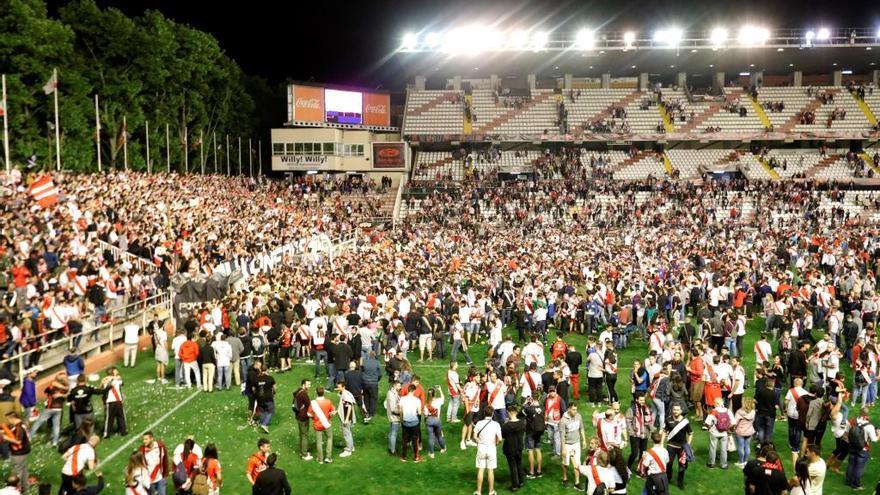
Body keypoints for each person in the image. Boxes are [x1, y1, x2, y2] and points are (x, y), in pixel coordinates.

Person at [29, 373, 67, 447]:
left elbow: (46, 391)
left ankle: (29, 437)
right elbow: (67, 391)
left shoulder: (51, 386)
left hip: (49, 408)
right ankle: (55, 442)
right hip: (59, 409)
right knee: (56, 426)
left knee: (38, 422)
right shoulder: (64, 388)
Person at [846, 407, 878, 490]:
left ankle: (848, 481)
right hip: (863, 449)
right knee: (859, 467)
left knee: (851, 464)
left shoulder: (852, 420)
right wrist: (879, 434)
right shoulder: (869, 426)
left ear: (860, 412)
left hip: (852, 446)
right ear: (867, 415)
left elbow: (847, 432)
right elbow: (874, 440)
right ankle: (856, 485)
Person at [663, 404, 692, 490]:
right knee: (669, 463)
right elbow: (664, 431)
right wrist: (661, 443)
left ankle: (680, 483)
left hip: (682, 447)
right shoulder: (668, 419)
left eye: (677, 410)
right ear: (672, 410)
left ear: (681, 411)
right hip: (671, 445)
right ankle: (668, 479)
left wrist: (688, 445)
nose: (676, 411)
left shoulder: (685, 421)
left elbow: (690, 433)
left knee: (682, 465)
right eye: (674, 409)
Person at [474, 406, 502, 495]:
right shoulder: (496, 424)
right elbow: (500, 439)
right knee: (490, 471)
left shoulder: (479, 423)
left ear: (484, 413)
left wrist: (479, 442)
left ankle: (478, 491)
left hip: (481, 448)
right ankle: (491, 491)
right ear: (492, 414)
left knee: (481, 470)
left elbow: (474, 436)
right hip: (491, 448)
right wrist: (496, 443)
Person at [560, 402, 587, 489]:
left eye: (576, 409)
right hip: (567, 444)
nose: (575, 411)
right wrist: (563, 449)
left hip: (576, 443)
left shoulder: (578, 416)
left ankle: (577, 482)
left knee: (577, 463)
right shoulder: (563, 421)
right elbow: (562, 436)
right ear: (569, 409)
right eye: (573, 409)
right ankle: (565, 478)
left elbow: (581, 428)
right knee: (566, 464)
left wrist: (584, 440)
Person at [1, 412, 29, 495]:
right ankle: (25, 487)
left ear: (12, 418)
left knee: (17, 473)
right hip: (25, 451)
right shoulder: (22, 424)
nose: (9, 421)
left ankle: (16, 490)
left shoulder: (19, 428)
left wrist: (6, 438)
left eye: (9, 419)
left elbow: (18, 441)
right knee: (23, 470)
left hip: (19, 453)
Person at [307, 386, 335, 464]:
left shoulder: (313, 403)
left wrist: (314, 417)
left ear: (316, 392)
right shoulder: (328, 401)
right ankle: (328, 457)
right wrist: (329, 416)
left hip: (317, 424)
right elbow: (332, 412)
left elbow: (309, 414)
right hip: (326, 424)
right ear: (324, 393)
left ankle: (320, 459)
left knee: (319, 442)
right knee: (329, 438)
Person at [501, 404, 526, 491]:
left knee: (513, 466)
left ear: (509, 413)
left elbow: (503, 436)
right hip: (519, 446)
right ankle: (521, 481)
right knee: (519, 464)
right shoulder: (522, 423)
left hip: (509, 448)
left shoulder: (506, 426)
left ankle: (515, 485)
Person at [399, 383, 423, 463]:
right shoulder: (417, 400)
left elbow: (401, 411)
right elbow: (419, 412)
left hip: (405, 421)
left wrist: (402, 420)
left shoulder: (402, 399)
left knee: (405, 439)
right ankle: (416, 457)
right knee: (415, 439)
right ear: (414, 391)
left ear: (408, 390)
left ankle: (403, 456)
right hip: (414, 422)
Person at [522, 393, 544, 479]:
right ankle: (539, 471)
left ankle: (531, 472)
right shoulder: (542, 407)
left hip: (530, 431)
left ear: (531, 397)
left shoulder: (529, 409)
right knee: (538, 449)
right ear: (538, 397)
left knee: (530, 450)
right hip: (539, 430)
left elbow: (520, 414)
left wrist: (525, 404)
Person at [704, 397, 731, 469]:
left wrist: (709, 428)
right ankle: (723, 465)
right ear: (722, 403)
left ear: (715, 404)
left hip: (714, 432)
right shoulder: (728, 411)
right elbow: (733, 422)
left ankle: (711, 463)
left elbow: (707, 422)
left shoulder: (714, 411)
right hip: (724, 433)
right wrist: (728, 428)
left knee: (713, 448)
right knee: (724, 450)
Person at [101, 367, 127, 438]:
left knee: (109, 419)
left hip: (110, 402)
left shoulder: (105, 380)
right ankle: (123, 431)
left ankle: (107, 434)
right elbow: (122, 383)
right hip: (118, 401)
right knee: (121, 417)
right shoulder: (117, 380)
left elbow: (102, 389)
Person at [424, 385, 447, 459]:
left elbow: (425, 414)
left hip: (429, 420)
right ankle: (443, 448)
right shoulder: (438, 401)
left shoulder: (427, 404)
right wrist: (440, 390)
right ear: (435, 394)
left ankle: (432, 453)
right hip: (437, 420)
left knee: (430, 437)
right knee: (439, 435)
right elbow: (443, 398)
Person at [733, 397, 757, 468]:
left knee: (741, 447)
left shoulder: (739, 412)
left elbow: (735, 422)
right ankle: (746, 461)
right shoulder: (753, 412)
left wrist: (732, 428)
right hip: (749, 431)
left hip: (740, 432)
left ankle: (741, 462)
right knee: (747, 446)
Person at [293, 379, 313, 460]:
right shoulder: (303, 394)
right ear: (303, 385)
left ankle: (302, 451)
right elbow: (309, 404)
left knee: (301, 434)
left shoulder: (297, 392)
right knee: (304, 435)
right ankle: (304, 454)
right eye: (308, 384)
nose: (309, 386)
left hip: (298, 416)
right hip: (303, 417)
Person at [335, 380, 356, 457]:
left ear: (343, 387)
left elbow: (349, 407)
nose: (338, 388)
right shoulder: (345, 393)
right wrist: (336, 411)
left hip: (346, 417)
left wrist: (346, 419)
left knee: (346, 433)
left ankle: (348, 450)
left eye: (339, 387)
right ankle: (351, 447)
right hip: (346, 416)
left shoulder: (345, 395)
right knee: (348, 432)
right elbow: (343, 406)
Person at [253, 366, 276, 434]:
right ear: (267, 370)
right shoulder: (270, 378)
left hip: (259, 398)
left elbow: (253, 389)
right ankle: (264, 424)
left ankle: (262, 423)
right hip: (268, 398)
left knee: (262, 410)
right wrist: (274, 393)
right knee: (270, 411)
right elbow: (274, 387)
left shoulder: (256, 379)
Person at [385, 380, 402, 455]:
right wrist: (401, 413)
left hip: (394, 416)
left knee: (392, 432)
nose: (400, 387)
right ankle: (392, 450)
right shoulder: (391, 395)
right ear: (394, 386)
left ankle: (391, 447)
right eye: (399, 386)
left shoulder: (393, 393)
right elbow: (393, 409)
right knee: (394, 433)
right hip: (395, 417)